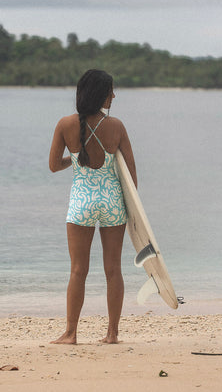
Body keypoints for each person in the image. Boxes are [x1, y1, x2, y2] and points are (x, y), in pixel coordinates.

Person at [48, 69, 137, 344]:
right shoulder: (117, 127)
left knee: (78, 270)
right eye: (110, 91)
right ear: (99, 94)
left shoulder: (65, 124)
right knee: (113, 270)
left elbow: (53, 166)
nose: (114, 95)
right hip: (112, 202)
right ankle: (112, 334)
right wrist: (134, 214)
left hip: (81, 203)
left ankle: (71, 333)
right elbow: (132, 178)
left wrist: (74, 159)